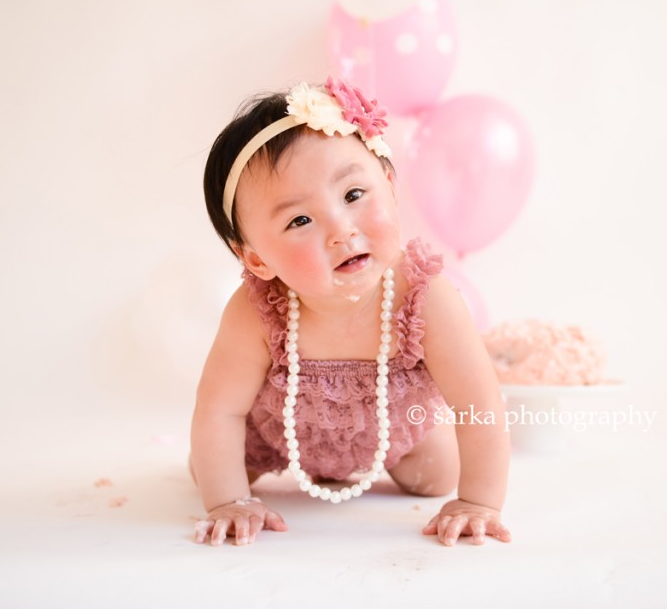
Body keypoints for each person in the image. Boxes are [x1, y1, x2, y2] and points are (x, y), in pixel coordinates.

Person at [190, 77, 511, 547]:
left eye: (354, 195)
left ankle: (415, 455)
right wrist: (228, 501)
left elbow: (479, 405)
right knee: (210, 469)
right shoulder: (257, 312)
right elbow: (219, 410)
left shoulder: (425, 298)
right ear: (257, 260)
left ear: (389, 185)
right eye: (300, 220)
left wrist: (480, 501)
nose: (342, 231)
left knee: (439, 475)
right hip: (277, 438)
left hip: (394, 434)